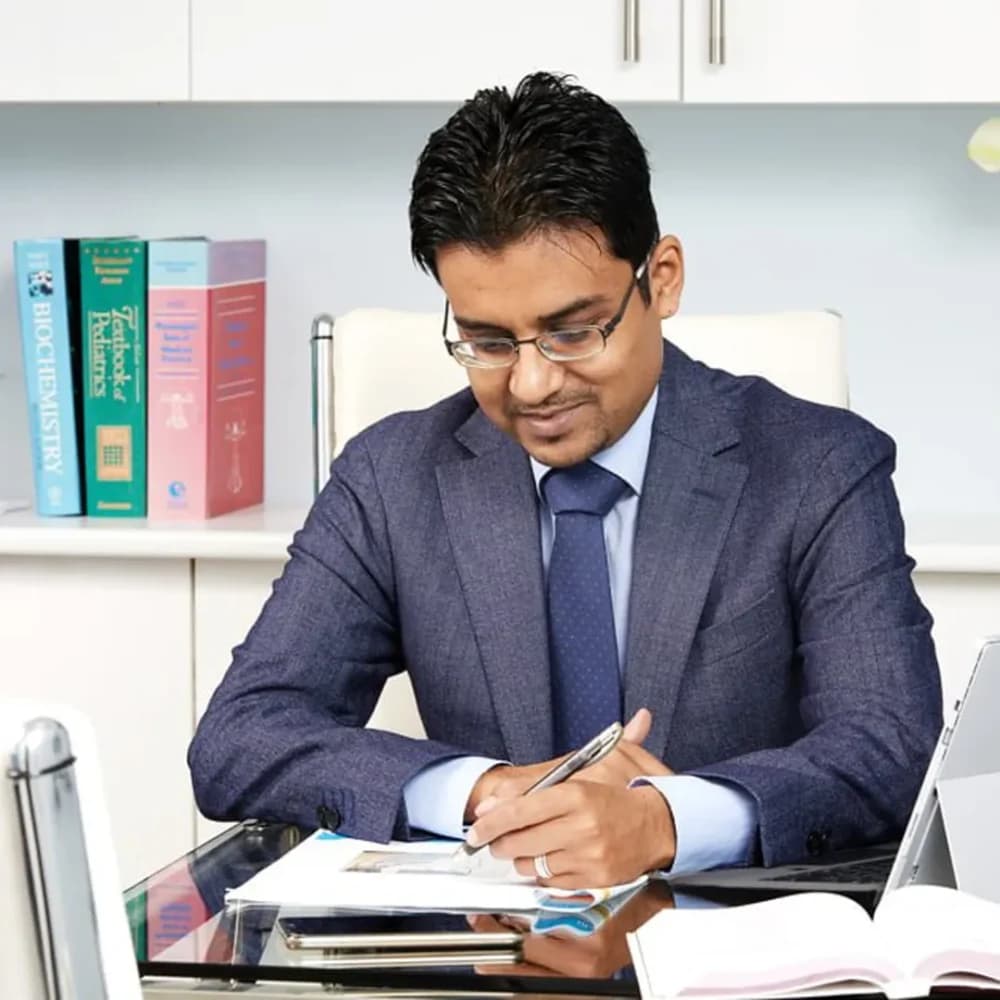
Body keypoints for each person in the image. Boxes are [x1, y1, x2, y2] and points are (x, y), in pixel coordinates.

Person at [189, 72, 942, 889]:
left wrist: (668, 818)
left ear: (662, 279)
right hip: (488, 952)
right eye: (488, 341)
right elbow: (239, 736)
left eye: (572, 332)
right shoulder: (391, 477)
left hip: (740, 948)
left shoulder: (818, 465)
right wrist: (480, 791)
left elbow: (891, 743)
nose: (532, 386)